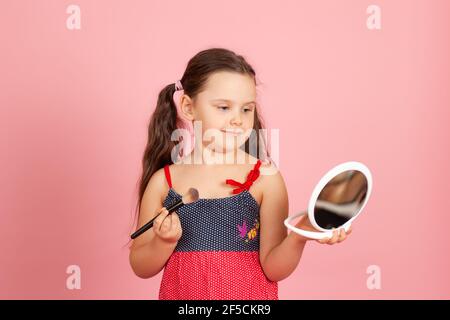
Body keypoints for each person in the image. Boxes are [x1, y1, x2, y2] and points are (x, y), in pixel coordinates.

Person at [129, 48, 351, 300]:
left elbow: (274, 268)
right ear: (189, 107)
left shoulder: (265, 179)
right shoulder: (164, 182)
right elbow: (140, 266)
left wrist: (300, 234)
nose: (238, 120)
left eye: (246, 109)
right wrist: (164, 242)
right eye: (224, 107)